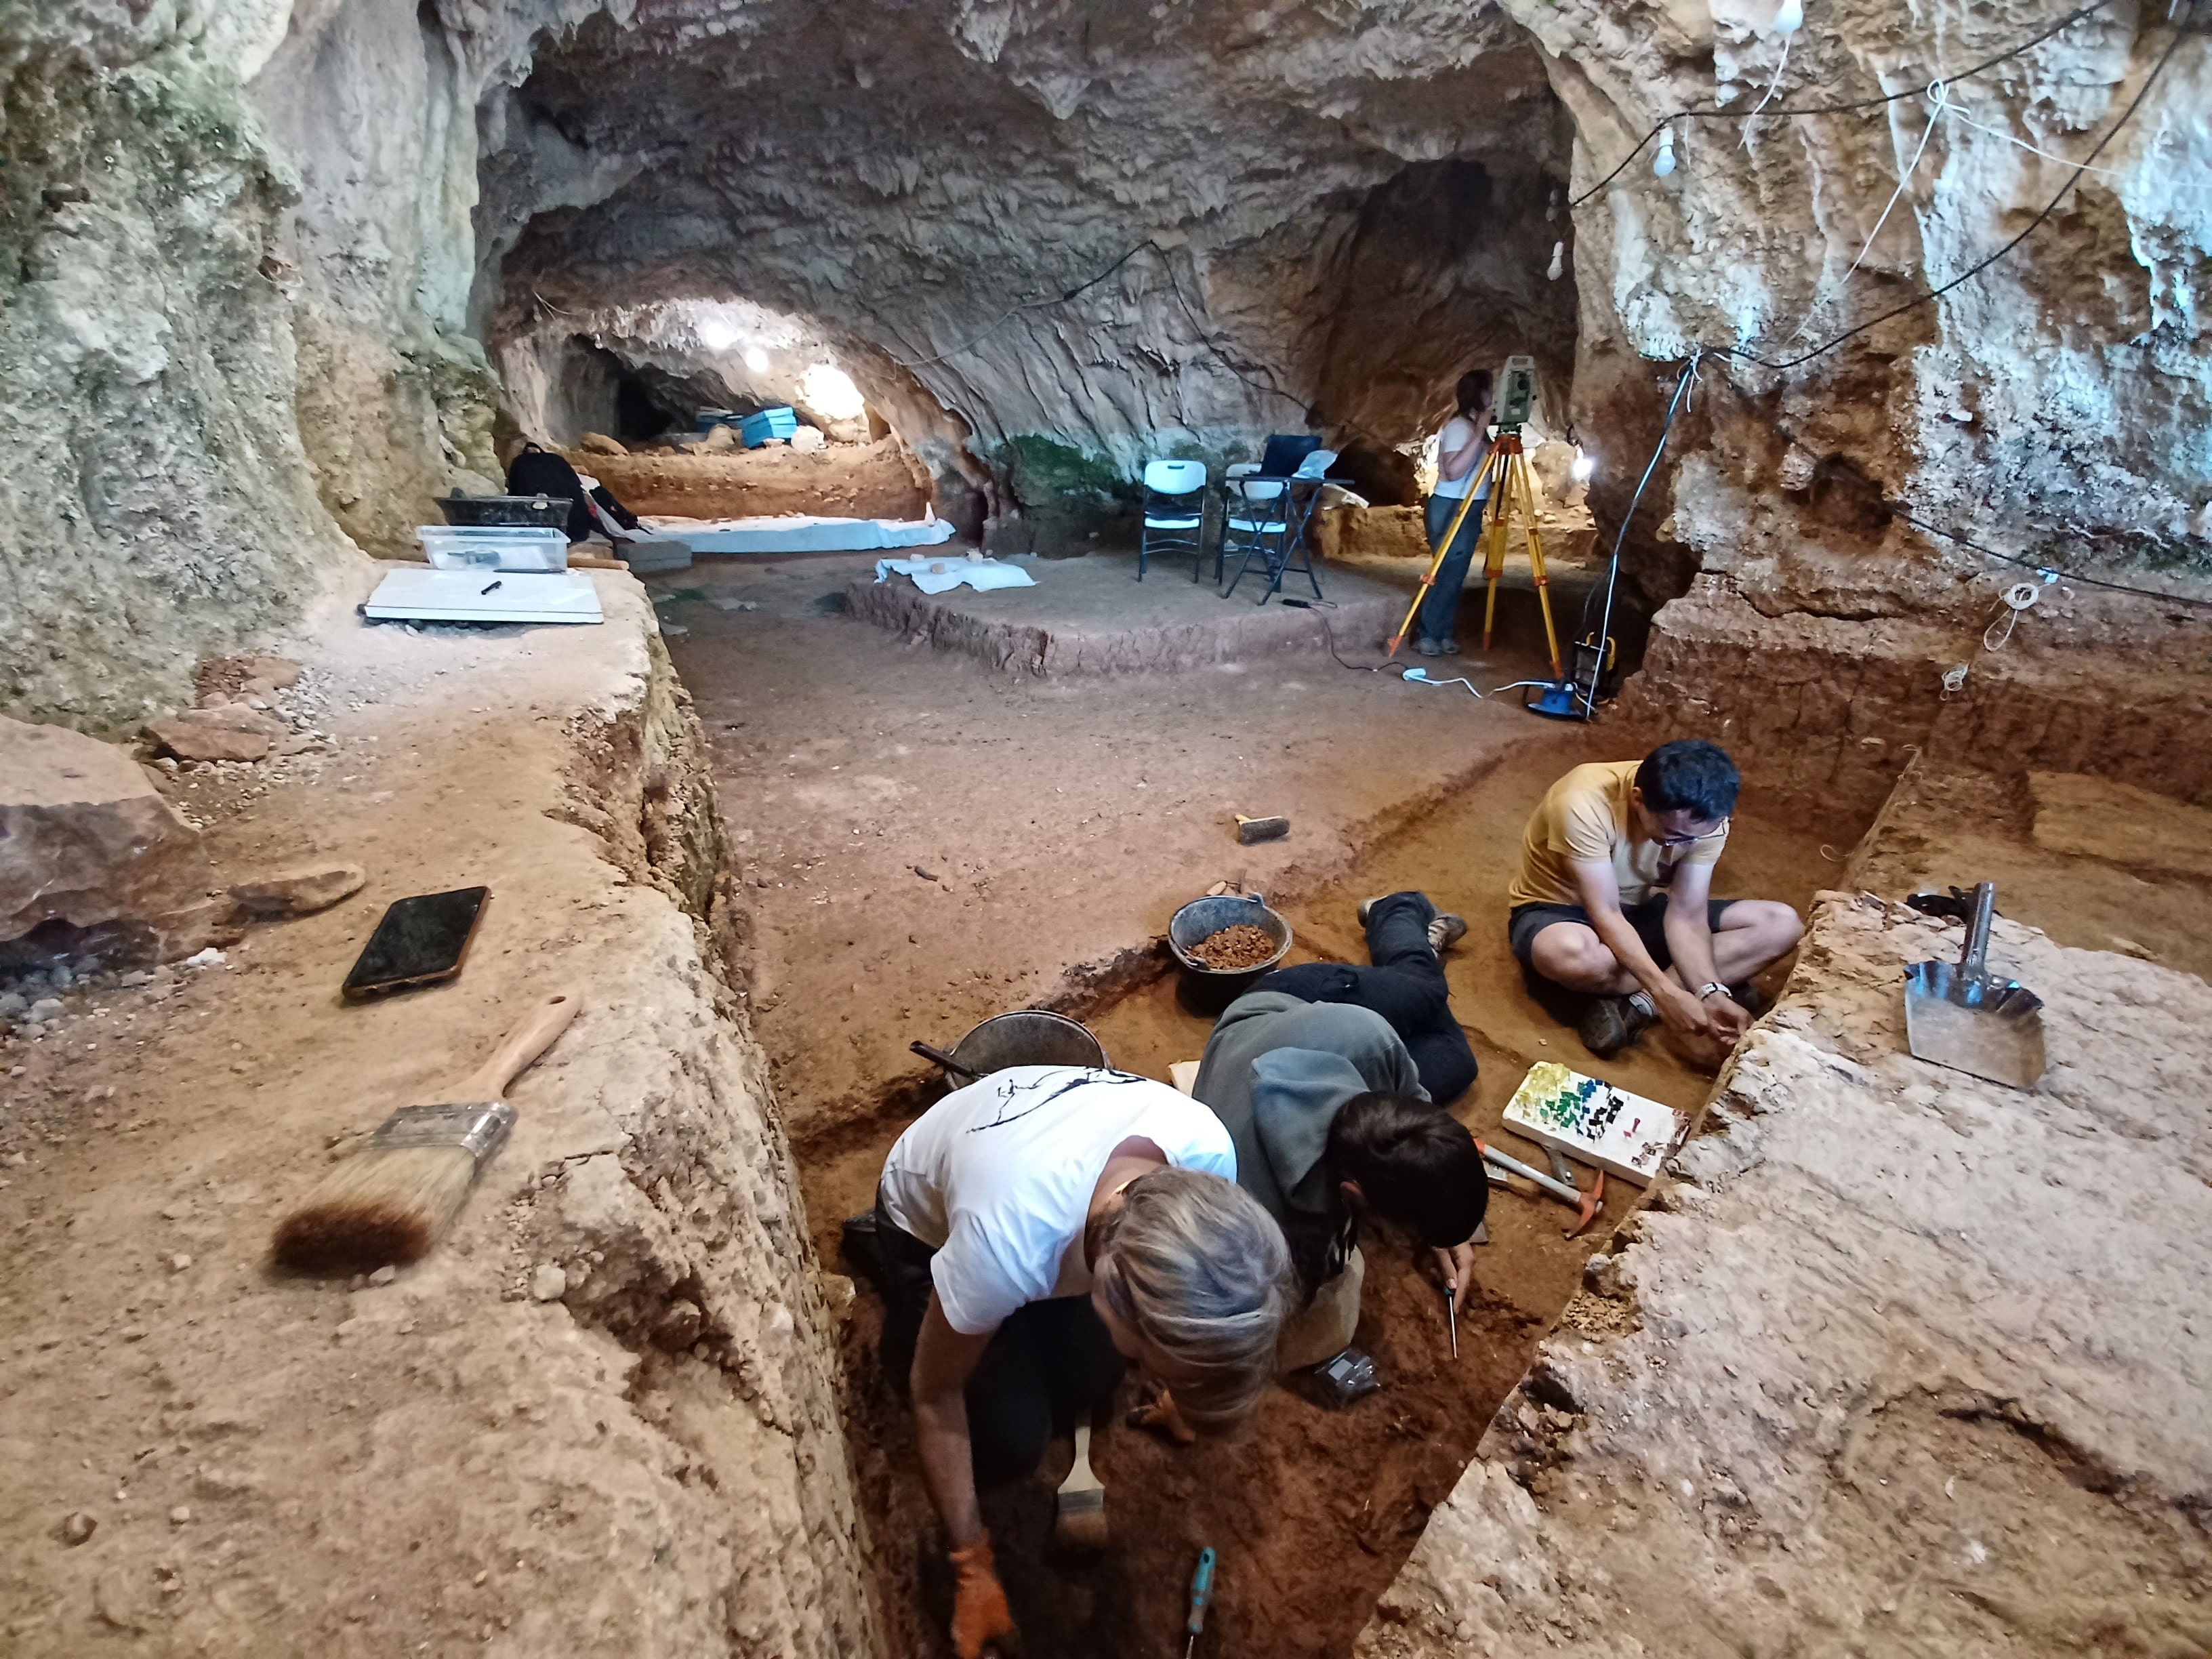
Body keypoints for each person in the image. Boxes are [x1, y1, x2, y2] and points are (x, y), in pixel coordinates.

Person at [871, 1064, 1293, 1659]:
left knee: (1094, 1379)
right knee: (1013, 1440)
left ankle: (1038, 1333)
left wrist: (1187, 1383)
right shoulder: (1006, 1244)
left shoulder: (1206, 1154)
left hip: (1040, 1190)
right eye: (1153, 1356)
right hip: (925, 1219)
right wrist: (971, 1563)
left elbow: (1213, 1292)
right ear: (1107, 1296)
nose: (1151, 1373)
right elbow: (933, 1396)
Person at [1191, 984, 1487, 1368]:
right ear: (1354, 1194)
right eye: (1405, 1235)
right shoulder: (1261, 1221)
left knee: (1449, 1048)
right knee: (1425, 994)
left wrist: (1448, 1218)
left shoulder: (1372, 1039)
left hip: (1292, 1017)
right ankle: (1405, 941)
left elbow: (1420, 1114)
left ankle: (1419, 970)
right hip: (1254, 1012)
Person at [1507, 739, 1804, 1059]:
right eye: (1671, 834)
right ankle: (1673, 987)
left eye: (1693, 837)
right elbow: (1605, 911)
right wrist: (1667, 993)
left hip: (1639, 910)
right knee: (1571, 954)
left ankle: (1639, 1005)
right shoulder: (1582, 803)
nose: (1680, 845)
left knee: (1782, 924)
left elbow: (1688, 916)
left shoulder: (1707, 820)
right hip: (1563, 911)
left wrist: (1710, 992)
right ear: (1638, 799)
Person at [1245, 890, 1477, 1105]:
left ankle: (1397, 908)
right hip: (1316, 1067)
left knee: (1425, 986)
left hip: (1279, 1008)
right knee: (1457, 1061)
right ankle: (1422, 960)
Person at [1416, 369, 1496, 656]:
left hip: (1470, 505)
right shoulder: (1459, 428)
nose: (1494, 395)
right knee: (1447, 571)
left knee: (1456, 574)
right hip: (1452, 505)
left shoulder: (1476, 428)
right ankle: (1428, 633)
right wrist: (1478, 434)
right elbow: (1452, 473)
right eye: (1490, 390)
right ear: (1479, 394)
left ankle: (1443, 631)